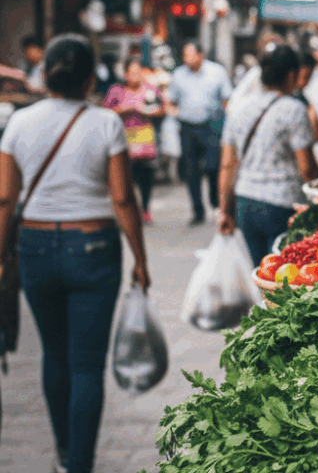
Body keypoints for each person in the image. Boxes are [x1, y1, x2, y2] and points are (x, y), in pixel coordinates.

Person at [0, 34, 151, 473]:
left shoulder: (19, 124)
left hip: (36, 248)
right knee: (86, 364)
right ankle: (79, 465)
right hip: (95, 250)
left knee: (54, 353)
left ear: (45, 75)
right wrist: (140, 259)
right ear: (90, 79)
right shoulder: (106, 124)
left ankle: (64, 451)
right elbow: (124, 200)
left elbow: (5, 200)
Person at [218, 46, 318, 265]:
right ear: (292, 75)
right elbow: (308, 168)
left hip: (245, 203)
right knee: (284, 277)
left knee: (261, 273)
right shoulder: (293, 109)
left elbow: (227, 165)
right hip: (281, 206)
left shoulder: (238, 108)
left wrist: (225, 210)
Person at [169, 42, 232, 226]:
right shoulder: (178, 75)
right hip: (187, 126)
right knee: (190, 170)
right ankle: (197, 210)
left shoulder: (217, 72)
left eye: (189, 55)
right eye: (184, 55)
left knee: (213, 166)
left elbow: (227, 98)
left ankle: (214, 200)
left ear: (200, 55)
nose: (186, 59)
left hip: (211, 125)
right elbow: (172, 100)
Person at [103, 57, 166, 224]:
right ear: (125, 74)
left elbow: (162, 109)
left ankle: (145, 209)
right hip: (123, 139)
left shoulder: (150, 90)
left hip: (145, 138)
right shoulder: (116, 91)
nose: (135, 76)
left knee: (146, 177)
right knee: (125, 177)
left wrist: (146, 111)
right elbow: (105, 112)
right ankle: (126, 210)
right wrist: (124, 109)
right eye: (132, 73)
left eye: (138, 72)